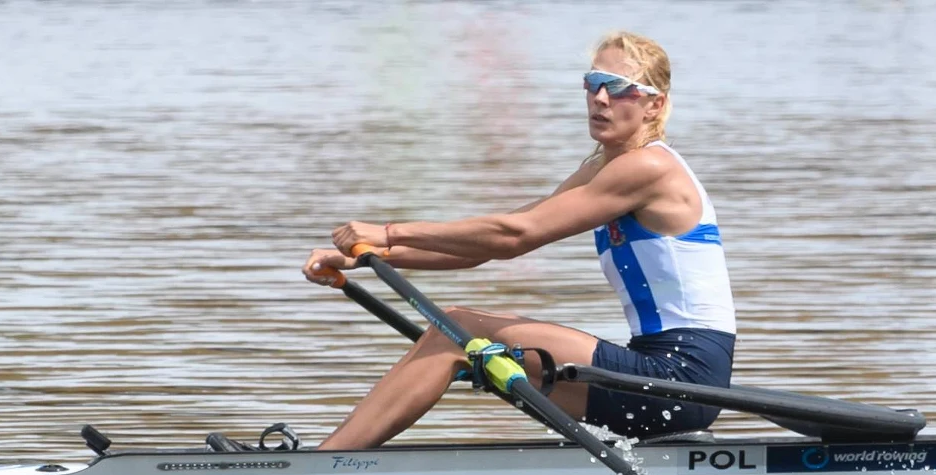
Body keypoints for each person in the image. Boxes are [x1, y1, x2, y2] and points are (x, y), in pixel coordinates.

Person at [302, 31, 735, 451]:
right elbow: (491, 244)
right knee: (459, 335)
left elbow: (515, 236)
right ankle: (330, 461)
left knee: (460, 328)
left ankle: (321, 466)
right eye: (593, 83)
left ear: (653, 104)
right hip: (658, 376)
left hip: (679, 377)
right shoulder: (604, 167)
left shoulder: (649, 168)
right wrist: (369, 256)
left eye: (620, 88)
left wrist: (391, 230)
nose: (600, 98)